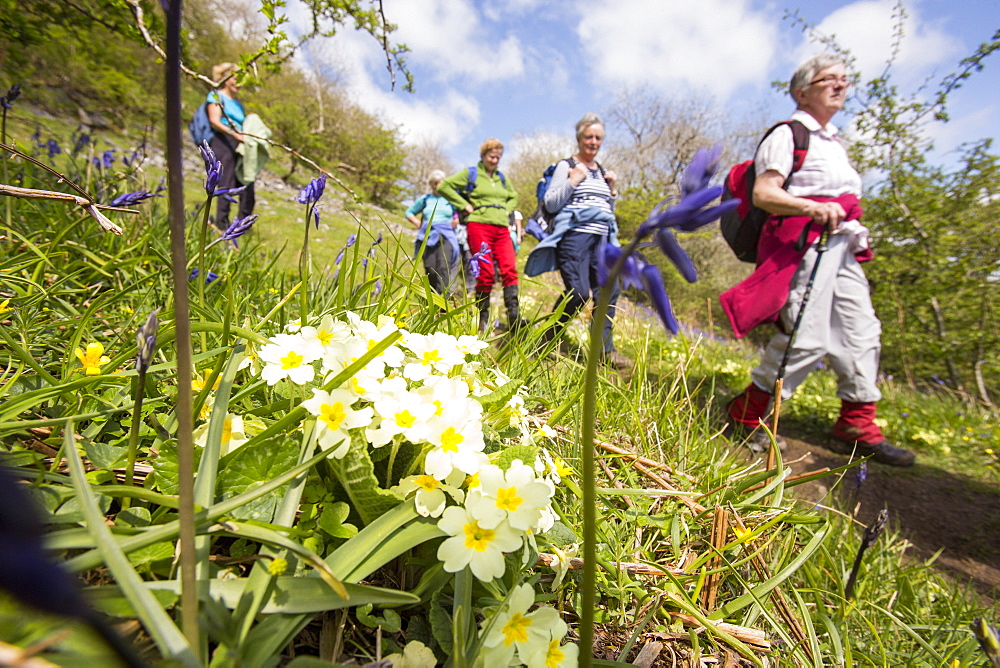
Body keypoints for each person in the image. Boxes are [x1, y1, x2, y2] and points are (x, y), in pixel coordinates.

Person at [719, 54, 915, 466]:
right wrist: (811, 207)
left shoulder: (833, 141)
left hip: (843, 244)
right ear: (801, 91)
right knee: (806, 336)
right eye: (829, 79)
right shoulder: (789, 134)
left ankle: (857, 423)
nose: (840, 85)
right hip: (807, 244)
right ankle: (748, 412)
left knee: (861, 331)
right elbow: (764, 194)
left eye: (845, 79)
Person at [524, 113, 630, 368]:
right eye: (588, 136)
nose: (593, 141)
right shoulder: (568, 165)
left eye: (598, 137)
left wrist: (612, 190)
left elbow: (607, 209)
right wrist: (573, 180)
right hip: (574, 237)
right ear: (579, 138)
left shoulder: (602, 172)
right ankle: (546, 340)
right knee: (579, 293)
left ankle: (604, 351)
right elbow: (551, 202)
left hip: (602, 240)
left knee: (608, 291)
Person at [438, 139, 520, 333]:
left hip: (501, 228)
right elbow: (444, 186)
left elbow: (514, 196)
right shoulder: (471, 173)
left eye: (498, 156)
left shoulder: (501, 178)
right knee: (486, 271)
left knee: (509, 269)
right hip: (479, 225)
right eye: (491, 155)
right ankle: (482, 318)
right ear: (483, 155)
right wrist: (464, 205)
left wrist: (505, 209)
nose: (495, 159)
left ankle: (514, 317)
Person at [207, 62, 255, 231]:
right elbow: (214, 120)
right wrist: (234, 134)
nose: (239, 83)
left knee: (245, 182)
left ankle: (242, 226)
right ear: (226, 78)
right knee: (225, 182)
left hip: (239, 144)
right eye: (236, 78)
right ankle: (222, 224)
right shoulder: (215, 95)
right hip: (223, 141)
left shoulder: (239, 104)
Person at [405, 170, 460, 295]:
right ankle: (431, 300)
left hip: (446, 236)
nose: (437, 186)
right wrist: (418, 224)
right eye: (434, 183)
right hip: (428, 236)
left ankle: (443, 303)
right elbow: (409, 212)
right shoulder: (425, 199)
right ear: (431, 184)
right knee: (430, 268)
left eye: (439, 183)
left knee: (443, 267)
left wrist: (456, 220)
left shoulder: (451, 199)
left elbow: (461, 212)